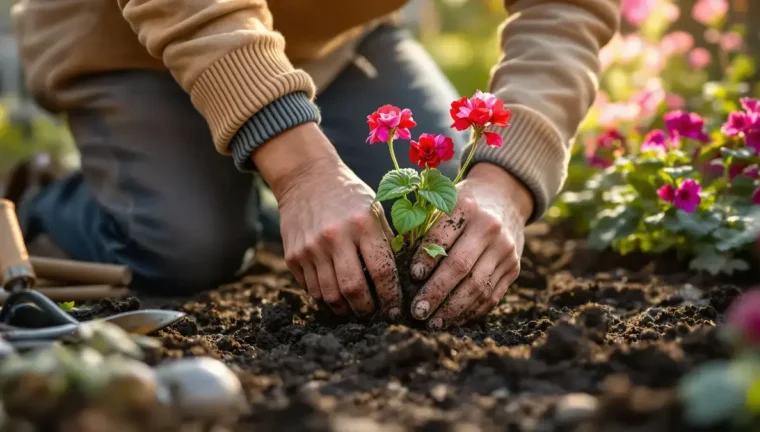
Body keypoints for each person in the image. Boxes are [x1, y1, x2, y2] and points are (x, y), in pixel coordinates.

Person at [6, 0, 620, 329]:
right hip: (131, 38)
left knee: (438, 211)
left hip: (337, 41)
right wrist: (302, 173)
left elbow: (564, 8)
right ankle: (43, 202)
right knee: (187, 248)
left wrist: (504, 184)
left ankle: (237, 185)